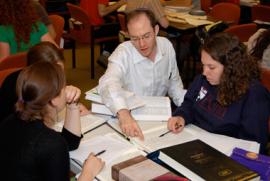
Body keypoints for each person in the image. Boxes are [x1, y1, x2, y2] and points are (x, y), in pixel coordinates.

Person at [0, 61, 104, 181]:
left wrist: (72, 104)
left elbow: (71, 142)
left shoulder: (8, 122)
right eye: (63, 87)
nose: (67, 90)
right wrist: (88, 173)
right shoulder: (51, 143)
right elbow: (57, 145)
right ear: (53, 99)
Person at [168, 32, 270, 153]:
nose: (205, 72)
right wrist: (181, 117)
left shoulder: (254, 95)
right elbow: (189, 104)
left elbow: (253, 144)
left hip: (225, 156)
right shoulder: (205, 79)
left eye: (211, 67)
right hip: (194, 142)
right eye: (203, 65)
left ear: (230, 67)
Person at [98, 9, 186, 139]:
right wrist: (123, 113)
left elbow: (174, 85)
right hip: (129, 117)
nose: (142, 44)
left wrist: (190, 109)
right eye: (135, 38)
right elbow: (108, 82)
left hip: (158, 118)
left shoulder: (166, 46)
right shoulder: (123, 52)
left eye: (146, 36)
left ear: (156, 30)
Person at [0, 42, 89, 121]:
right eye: (55, 74)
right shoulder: (19, 87)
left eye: (61, 72)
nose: (59, 78)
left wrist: (73, 102)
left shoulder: (47, 81)